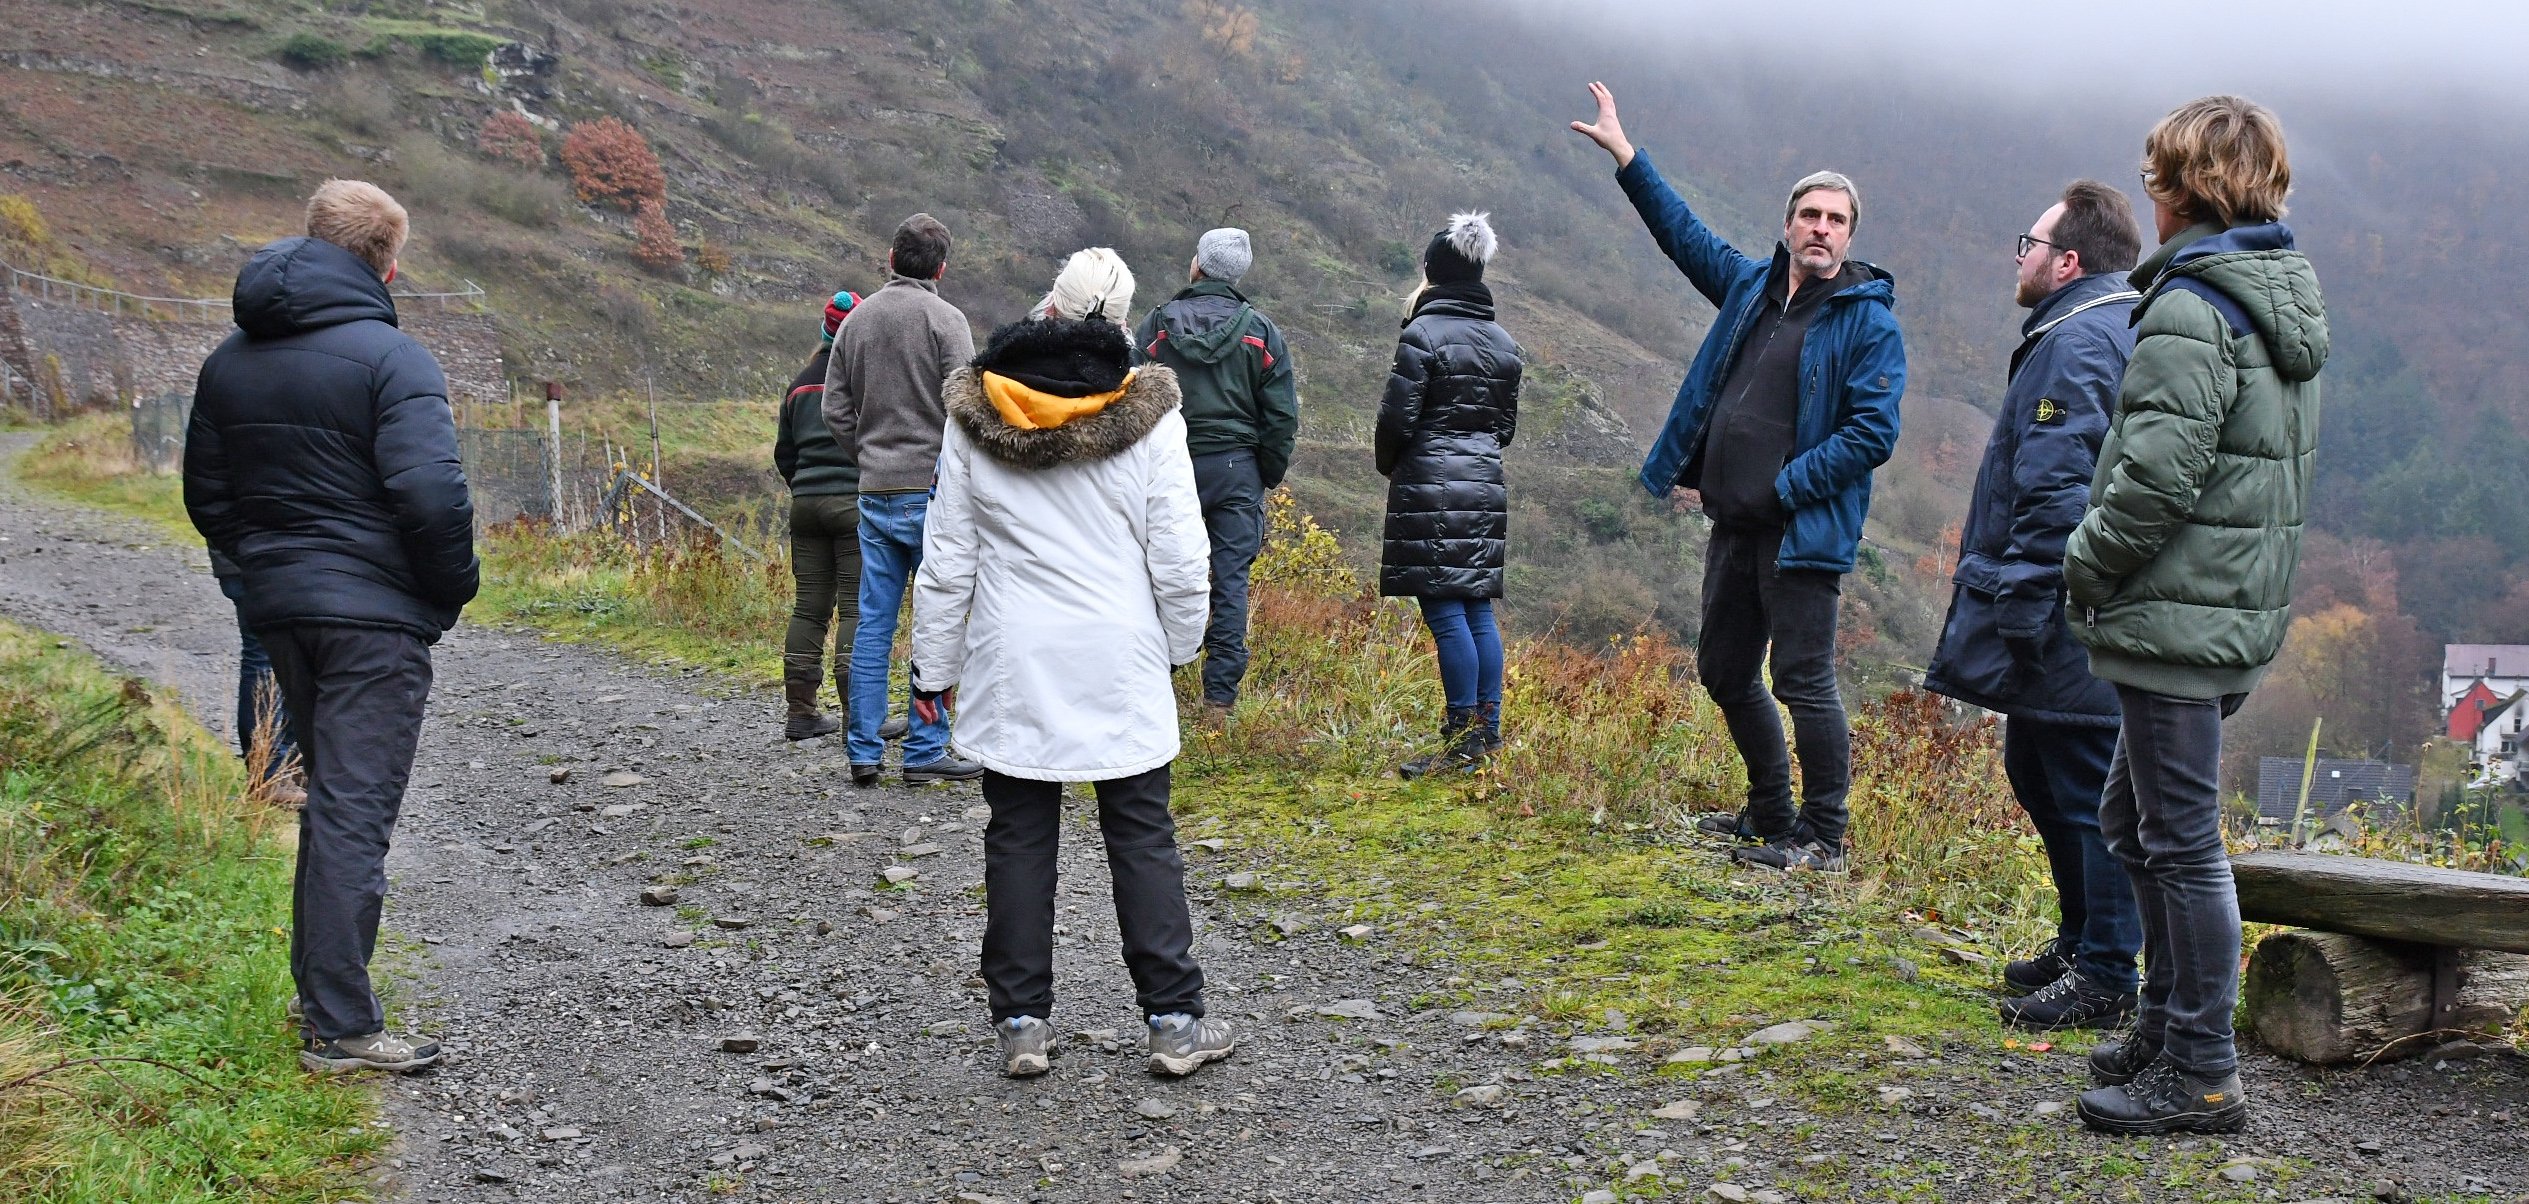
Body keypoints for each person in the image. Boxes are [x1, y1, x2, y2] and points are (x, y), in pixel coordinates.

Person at [908, 248, 1233, 1079]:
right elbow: (1180, 559)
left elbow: (948, 557)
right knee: (1140, 833)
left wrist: (932, 672)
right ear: (1125, 322)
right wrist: (1180, 646)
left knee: (1018, 834)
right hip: (1119, 652)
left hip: (1014, 655)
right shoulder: (1151, 413)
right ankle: (1171, 1021)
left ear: (1047, 307)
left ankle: (1021, 1022)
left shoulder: (979, 410)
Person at [2068, 96, 2325, 1137]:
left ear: (2185, 190)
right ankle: (2169, 1027)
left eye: (2157, 177)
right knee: (2132, 820)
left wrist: (2084, 562)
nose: (2151, 194)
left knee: (2176, 840)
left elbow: (2154, 479)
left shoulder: (2191, 304)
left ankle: (2203, 1068)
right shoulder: (2275, 300)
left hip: (2175, 619)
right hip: (2225, 612)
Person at [1570, 82, 1905, 871]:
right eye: (1809, 215)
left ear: (1850, 236)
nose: (1819, 229)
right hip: (1731, 523)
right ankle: (1768, 812)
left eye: (1835, 220)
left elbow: (1871, 434)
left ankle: (1822, 838)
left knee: (1802, 682)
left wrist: (1787, 486)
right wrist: (1627, 158)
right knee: (1723, 670)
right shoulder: (1751, 289)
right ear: (1787, 224)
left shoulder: (1868, 321)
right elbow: (1682, 236)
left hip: (1799, 531)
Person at [183, 179, 476, 1074]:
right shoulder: (395, 359)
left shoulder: (229, 359)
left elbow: (209, 495)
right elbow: (431, 495)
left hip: (284, 612)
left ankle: (323, 1003)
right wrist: (445, 592)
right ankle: (344, 1028)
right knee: (354, 811)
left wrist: (259, 574)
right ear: (388, 262)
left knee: (326, 805)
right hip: (374, 622)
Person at [1923, 181, 2146, 1031]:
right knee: (2037, 769)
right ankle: (2081, 938)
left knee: (2085, 784)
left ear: (2069, 261)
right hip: (2069, 597)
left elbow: (2056, 484)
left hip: (2066, 603)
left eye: (2031, 241)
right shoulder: (2093, 327)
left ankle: (2104, 976)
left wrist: (2024, 596)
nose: (2019, 254)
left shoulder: (2080, 340)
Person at [822, 214, 984, 786]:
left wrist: (867, 453)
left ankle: (863, 750)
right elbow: (968, 408)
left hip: (874, 489)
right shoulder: (947, 320)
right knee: (935, 620)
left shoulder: (856, 322)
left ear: (890, 257)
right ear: (941, 266)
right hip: (932, 491)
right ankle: (924, 750)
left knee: (872, 622)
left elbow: (834, 409)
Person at [1375, 213, 1522, 777]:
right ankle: (1486, 732)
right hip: (1484, 483)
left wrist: (1395, 466)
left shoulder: (1422, 335)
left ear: (1434, 275)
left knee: (1444, 612)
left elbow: (1396, 420)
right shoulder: (1505, 343)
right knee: (1476, 609)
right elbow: (1503, 428)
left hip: (1430, 482)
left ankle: (1460, 738)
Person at [1133, 228, 1299, 719]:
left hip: (1169, 466)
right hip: (1236, 468)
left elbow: (1131, 396)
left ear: (1197, 265)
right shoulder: (1261, 333)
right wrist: (1262, 472)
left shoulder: (1158, 325)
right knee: (1230, 580)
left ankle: (1154, 682)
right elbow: (1281, 417)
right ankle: (1218, 701)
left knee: (1157, 571)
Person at [773, 290, 902, 746]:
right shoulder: (862, 377)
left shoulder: (800, 382)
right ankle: (858, 717)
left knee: (809, 606)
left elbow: (783, 455)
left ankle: (801, 712)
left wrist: (806, 487)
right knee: (855, 607)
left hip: (805, 505)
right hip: (852, 504)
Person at [211, 545, 304, 804]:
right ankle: (269, 774)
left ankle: (289, 767)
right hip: (256, 558)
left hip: (269, 556)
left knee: (293, 654)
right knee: (264, 656)